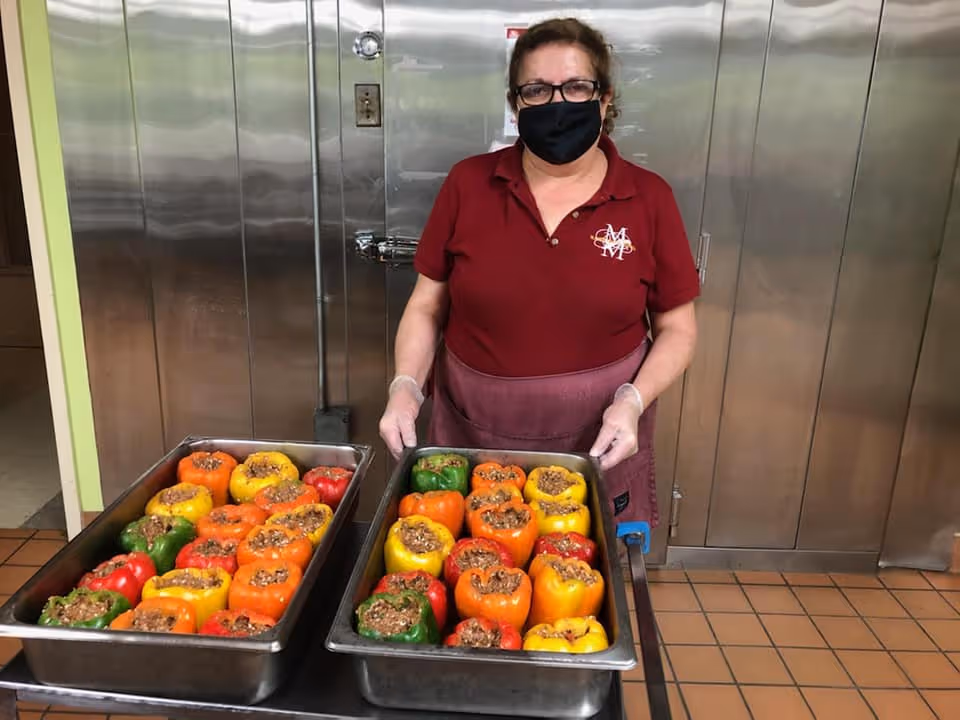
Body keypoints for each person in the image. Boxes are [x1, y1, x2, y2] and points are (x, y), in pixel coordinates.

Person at [378, 17, 699, 526]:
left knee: (577, 576)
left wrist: (634, 401)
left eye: (576, 87)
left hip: (600, 429)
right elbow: (425, 304)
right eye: (537, 90)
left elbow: (678, 329)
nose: (557, 104)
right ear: (515, 103)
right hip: (473, 427)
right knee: (467, 562)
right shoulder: (469, 184)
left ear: (605, 99)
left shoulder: (648, 197)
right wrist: (405, 387)